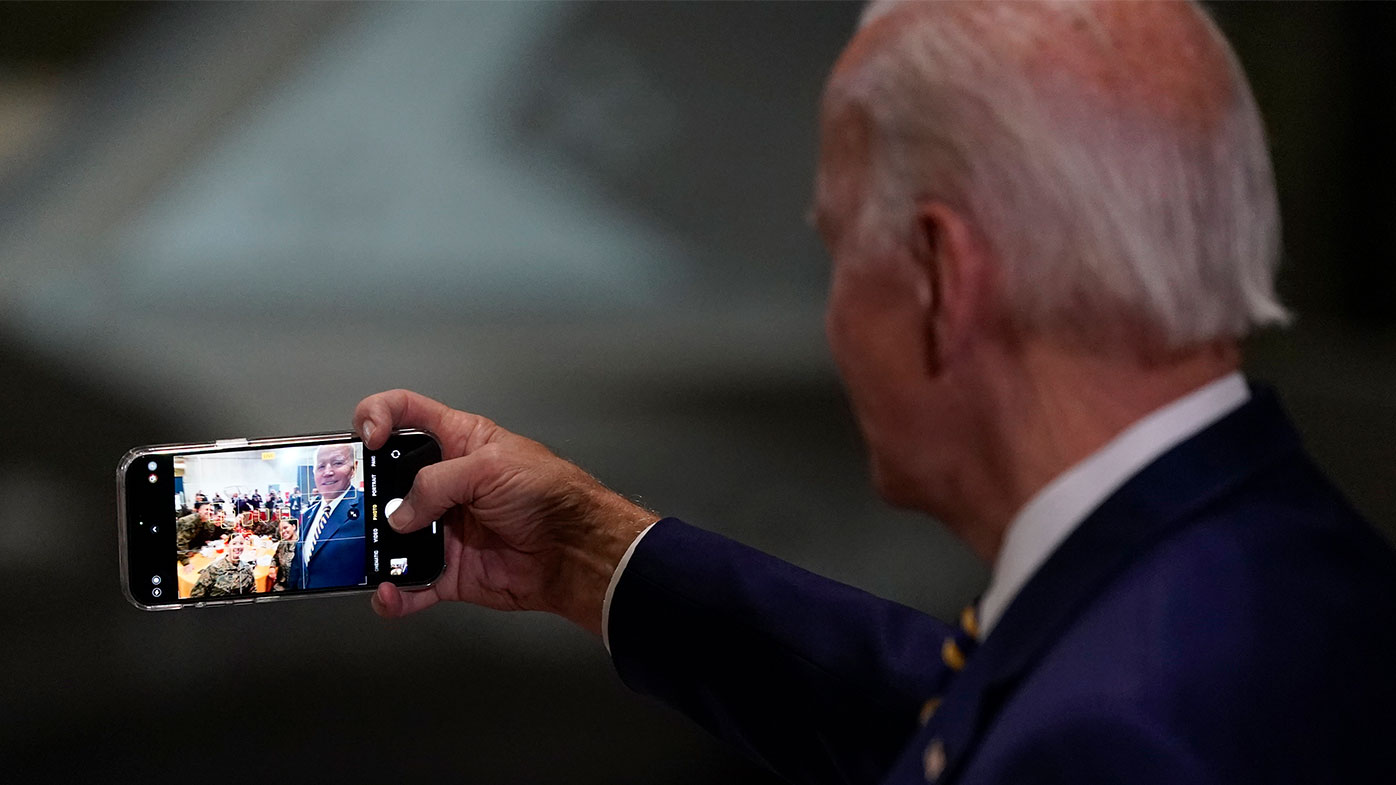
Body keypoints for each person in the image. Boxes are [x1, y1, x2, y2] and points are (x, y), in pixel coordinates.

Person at [353, 2, 1396, 784]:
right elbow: (965, 707)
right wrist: (587, 553)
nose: (832, 316)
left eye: (839, 253)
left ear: (942, 277)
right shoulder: (1295, 566)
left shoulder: (1110, 737)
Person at [285, 444, 364, 590]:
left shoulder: (366, 509)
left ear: (354, 468)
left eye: (338, 463)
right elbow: (299, 567)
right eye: (321, 466)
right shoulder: (308, 514)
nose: (328, 472)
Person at [189, 534, 256, 598]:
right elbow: (196, 595)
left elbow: (252, 591)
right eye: (234, 544)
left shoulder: (247, 568)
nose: (238, 547)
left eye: (241, 544)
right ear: (227, 546)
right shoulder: (214, 569)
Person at [269, 518, 298, 592]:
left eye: (285, 528)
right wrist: (272, 567)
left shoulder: (301, 544)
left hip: (297, 586)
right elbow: (275, 558)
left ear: (293, 527)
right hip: (282, 584)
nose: (283, 532)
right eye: (281, 530)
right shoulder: (282, 544)